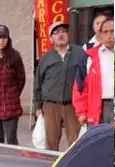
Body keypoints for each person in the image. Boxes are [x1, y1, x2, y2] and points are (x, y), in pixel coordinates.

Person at [34, 22, 85, 151]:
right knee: (51, 142)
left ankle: (73, 164)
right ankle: (53, 164)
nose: (60, 35)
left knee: (76, 142)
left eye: (63, 31)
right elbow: (38, 83)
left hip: (73, 105)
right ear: (51, 39)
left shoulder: (80, 53)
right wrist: (37, 106)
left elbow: (87, 78)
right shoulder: (46, 58)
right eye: (56, 33)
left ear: (68, 35)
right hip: (51, 105)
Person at [73, 16, 115, 126]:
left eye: (112, 31)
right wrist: (82, 111)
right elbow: (80, 87)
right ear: (100, 35)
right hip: (97, 107)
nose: (109, 35)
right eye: (105, 32)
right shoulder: (89, 56)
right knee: (98, 136)